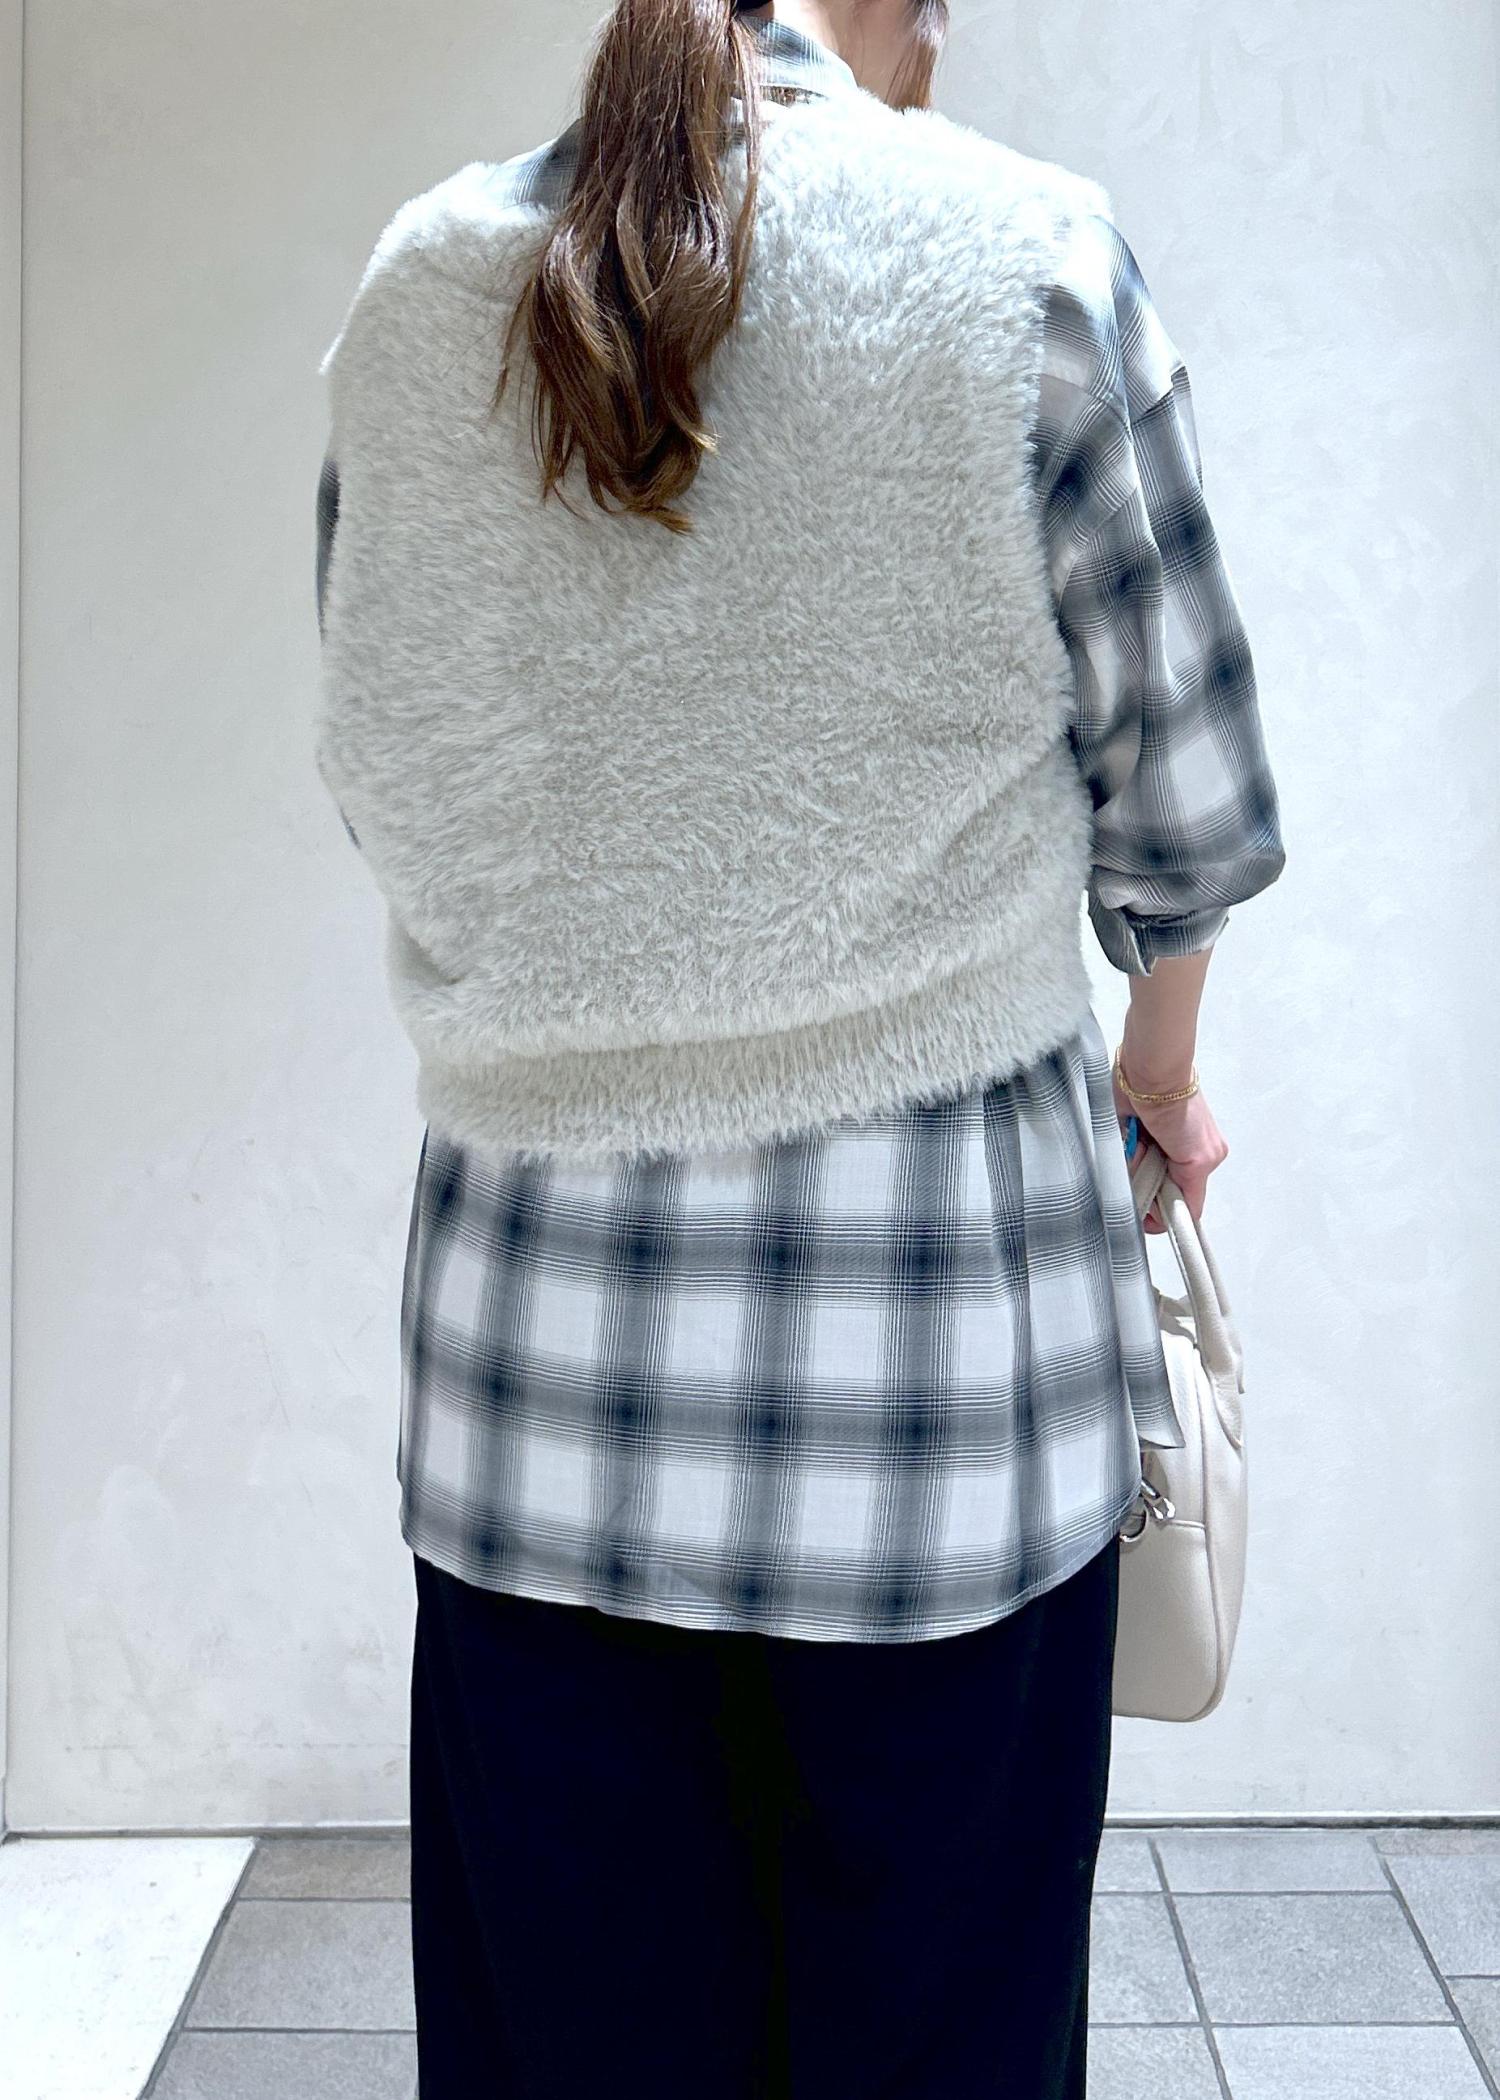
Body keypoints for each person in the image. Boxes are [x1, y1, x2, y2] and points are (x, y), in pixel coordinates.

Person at [312, 2, 1286, 2092]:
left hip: (532, 1406)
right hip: (944, 1409)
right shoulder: (1032, 261)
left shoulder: (424, 286)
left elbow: (384, 775)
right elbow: (1191, 819)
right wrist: (1156, 1078)